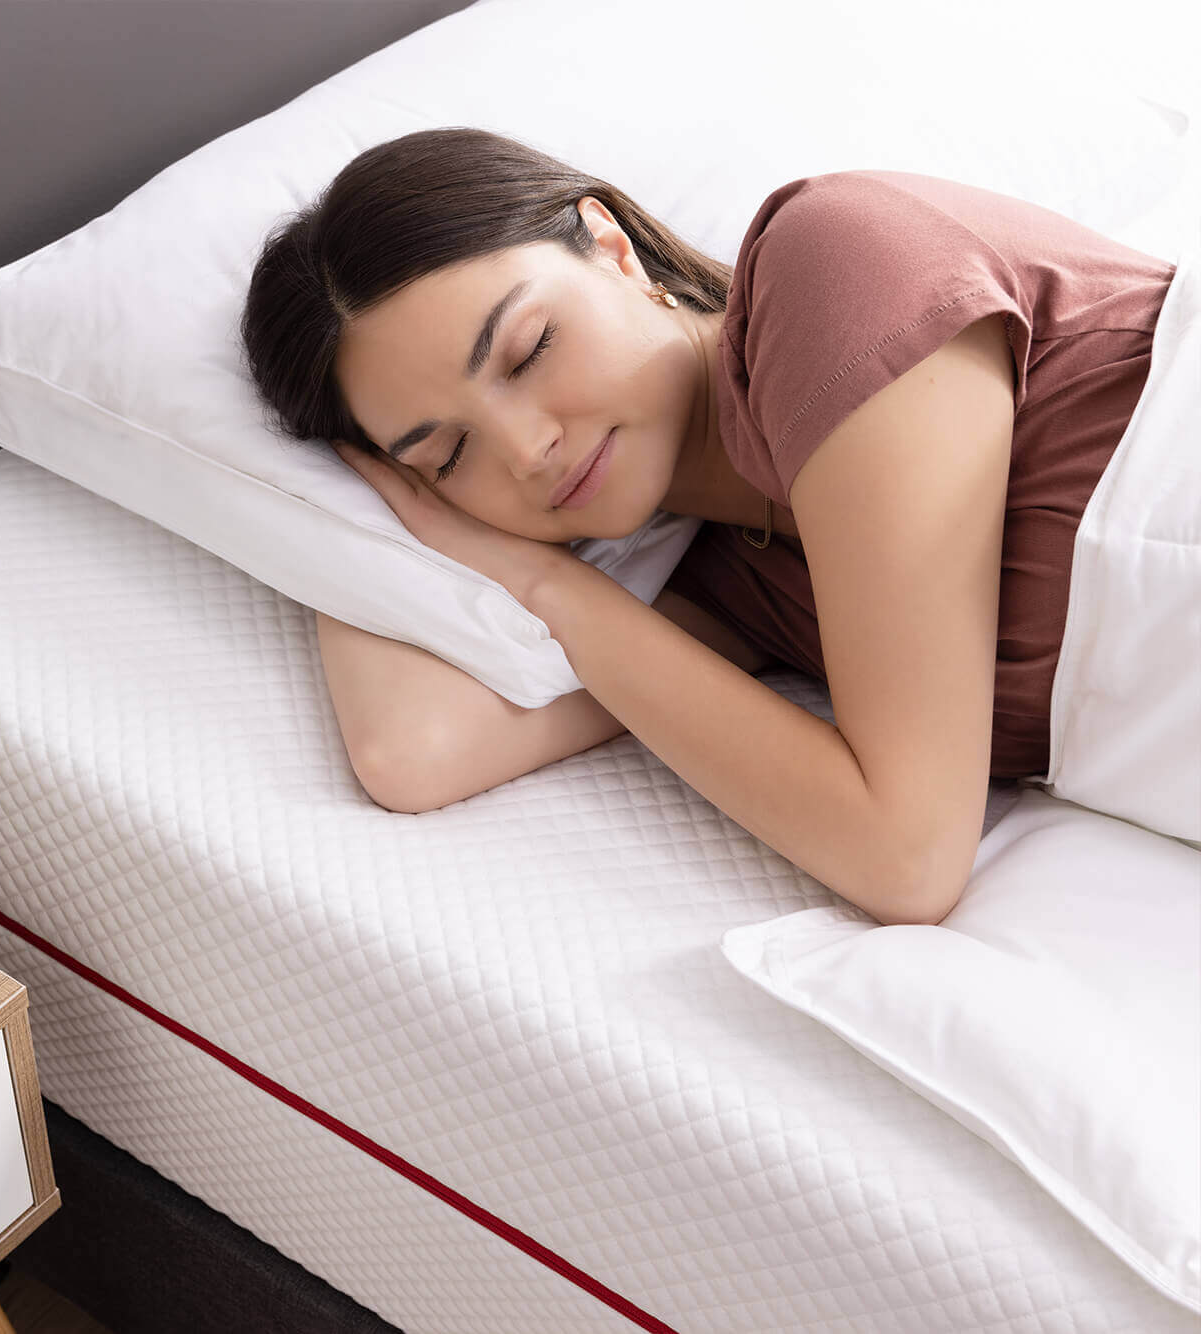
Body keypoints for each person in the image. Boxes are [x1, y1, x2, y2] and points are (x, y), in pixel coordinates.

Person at [238, 127, 1173, 925]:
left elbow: (908, 856)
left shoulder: (839, 267)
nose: (527, 450)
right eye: (447, 457)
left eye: (530, 351)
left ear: (611, 249)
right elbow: (416, 750)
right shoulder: (726, 586)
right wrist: (337, 499)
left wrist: (555, 590)